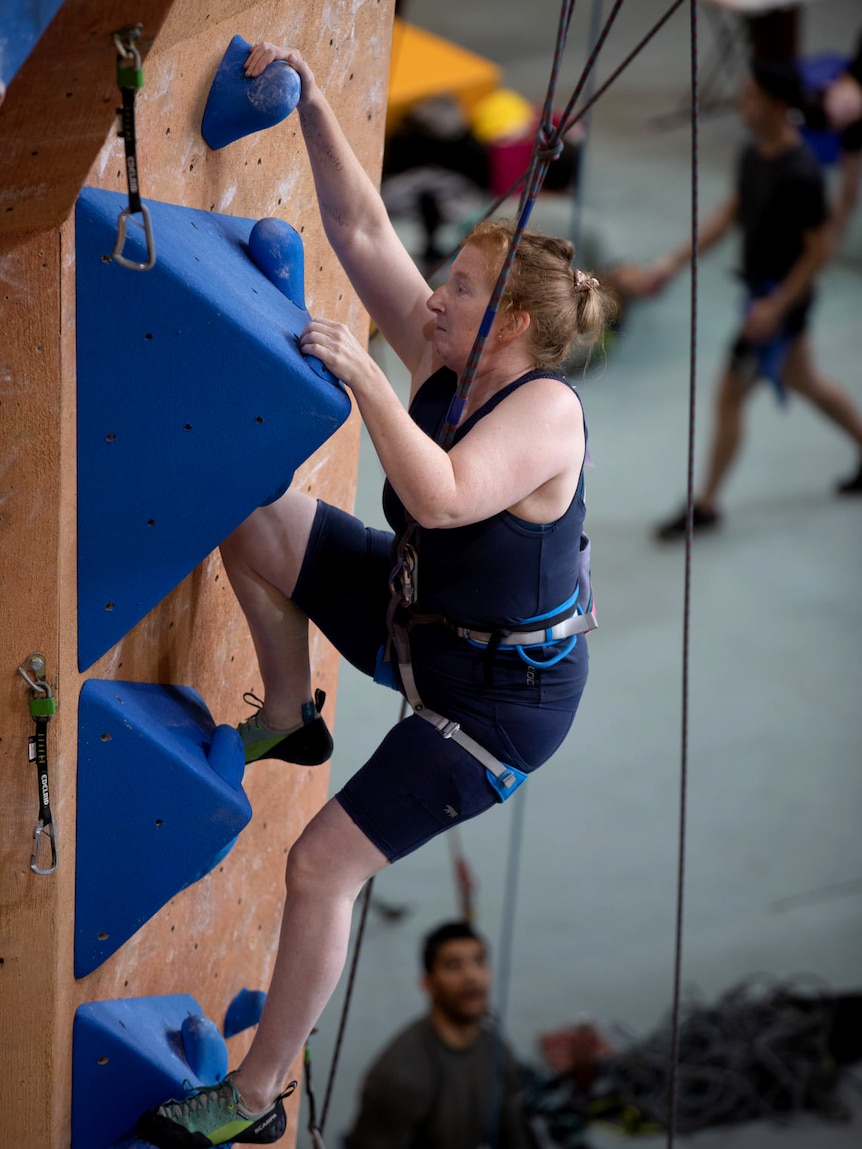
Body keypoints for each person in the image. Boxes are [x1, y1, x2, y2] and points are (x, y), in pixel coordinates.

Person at [136, 40, 613, 1149]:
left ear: (514, 329)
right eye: (443, 283)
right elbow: (360, 232)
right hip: (415, 623)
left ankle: (251, 1104)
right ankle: (291, 714)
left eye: (456, 290)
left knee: (321, 866)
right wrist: (306, 103)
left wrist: (362, 376)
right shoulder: (452, 358)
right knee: (245, 511)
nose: (432, 295)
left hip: (490, 709)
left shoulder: (546, 415)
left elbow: (443, 497)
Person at [644, 57, 862, 541]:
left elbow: (819, 251)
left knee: (729, 397)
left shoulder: (801, 172)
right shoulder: (754, 154)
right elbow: (730, 213)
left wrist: (776, 307)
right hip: (763, 297)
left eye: (751, 98)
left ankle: (707, 505)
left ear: (778, 104)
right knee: (806, 382)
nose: (743, 105)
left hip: (777, 303)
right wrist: (671, 263)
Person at [343, 921, 535, 1149]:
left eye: (479, 961)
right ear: (428, 983)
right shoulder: (400, 1073)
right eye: (454, 965)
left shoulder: (496, 1050)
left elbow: (516, 1137)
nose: (471, 976)